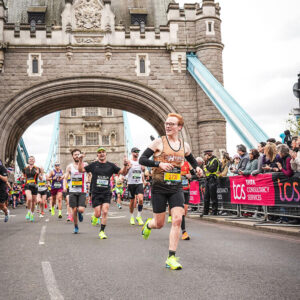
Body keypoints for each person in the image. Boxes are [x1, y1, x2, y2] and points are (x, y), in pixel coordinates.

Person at [139, 113, 202, 270]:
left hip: (176, 187)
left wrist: (198, 167)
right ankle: (149, 225)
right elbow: (142, 159)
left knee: (177, 220)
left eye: (171, 124)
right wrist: (158, 164)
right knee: (159, 224)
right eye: (166, 123)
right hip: (159, 187)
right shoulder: (159, 142)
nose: (168, 126)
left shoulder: (184, 146)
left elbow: (191, 159)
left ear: (179, 127)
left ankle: (171, 258)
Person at [78, 147, 129, 239]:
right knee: (98, 214)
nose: (101, 154)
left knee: (105, 212)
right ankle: (95, 217)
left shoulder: (111, 165)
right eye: (99, 152)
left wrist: (125, 165)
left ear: (106, 154)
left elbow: (123, 173)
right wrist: (81, 159)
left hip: (106, 192)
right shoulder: (94, 165)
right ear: (97, 155)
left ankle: (102, 231)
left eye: (103, 152)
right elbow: (81, 170)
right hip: (96, 192)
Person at [64, 149, 88, 234]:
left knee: (81, 209)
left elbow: (90, 173)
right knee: (73, 210)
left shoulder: (85, 164)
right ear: (72, 156)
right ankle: (76, 226)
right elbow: (66, 178)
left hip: (82, 190)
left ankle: (79, 213)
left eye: (78, 154)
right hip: (72, 190)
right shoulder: (69, 166)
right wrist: (64, 186)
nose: (77, 156)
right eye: (75, 155)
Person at [127, 147, 145, 226]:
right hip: (131, 183)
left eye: (138, 151)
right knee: (132, 201)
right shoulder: (129, 161)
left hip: (139, 183)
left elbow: (143, 171)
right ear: (132, 153)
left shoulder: (140, 161)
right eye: (135, 151)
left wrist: (143, 169)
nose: (137, 153)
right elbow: (125, 170)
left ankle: (139, 216)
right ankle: (131, 216)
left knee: (140, 199)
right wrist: (128, 167)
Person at [202, 150, 220, 216]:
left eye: (205, 155)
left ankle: (214, 212)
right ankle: (205, 212)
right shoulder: (207, 161)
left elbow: (212, 169)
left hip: (213, 179)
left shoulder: (215, 160)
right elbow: (205, 171)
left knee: (213, 197)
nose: (204, 157)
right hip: (207, 179)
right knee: (206, 197)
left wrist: (206, 166)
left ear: (208, 155)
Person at [22, 156, 41, 222]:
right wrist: (22, 178)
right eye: (30, 159)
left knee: (33, 202)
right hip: (27, 186)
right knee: (29, 198)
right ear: (28, 160)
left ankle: (32, 214)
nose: (31, 160)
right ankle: (28, 212)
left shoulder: (37, 168)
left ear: (34, 161)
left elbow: (41, 178)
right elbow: (23, 176)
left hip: (34, 186)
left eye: (32, 159)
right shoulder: (25, 169)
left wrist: (38, 174)